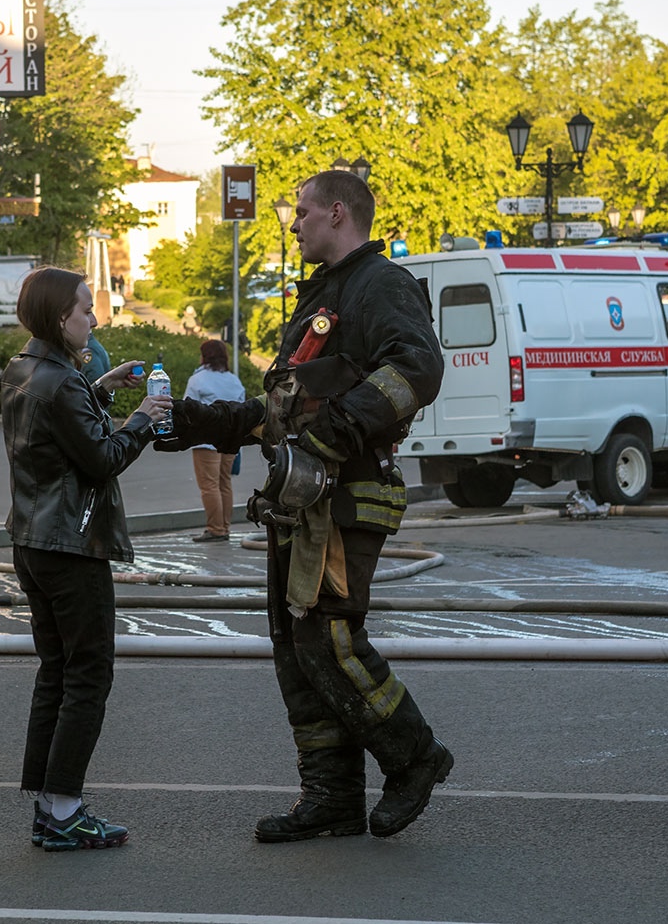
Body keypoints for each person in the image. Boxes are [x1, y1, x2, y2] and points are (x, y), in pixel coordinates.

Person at [159, 170, 451, 842]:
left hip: (348, 497)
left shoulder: (382, 286)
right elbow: (286, 412)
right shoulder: (323, 295)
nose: (294, 224)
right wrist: (199, 423)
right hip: (302, 501)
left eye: (302, 212)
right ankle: (331, 796)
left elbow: (418, 368)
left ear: (338, 214)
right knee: (296, 649)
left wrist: (337, 431)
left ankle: (415, 756)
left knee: (329, 639)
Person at [1, 266, 169, 852]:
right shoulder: (60, 382)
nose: (93, 319)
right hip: (72, 545)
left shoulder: (25, 370)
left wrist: (101, 389)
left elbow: (53, 427)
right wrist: (144, 417)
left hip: (32, 540)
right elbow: (100, 459)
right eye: (85, 309)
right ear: (59, 316)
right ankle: (66, 808)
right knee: (89, 675)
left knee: (57, 672)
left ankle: (50, 807)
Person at [184, 339, 246, 542]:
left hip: (206, 441)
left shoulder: (198, 380)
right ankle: (225, 527)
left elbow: (188, 409)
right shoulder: (234, 380)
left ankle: (215, 529)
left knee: (209, 485)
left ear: (204, 357)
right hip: (230, 440)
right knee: (224, 483)